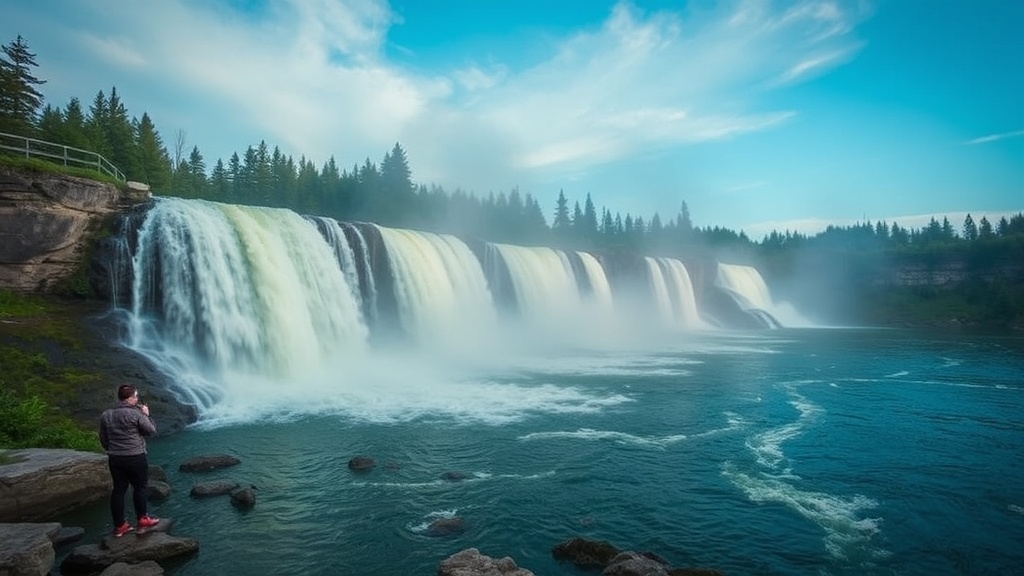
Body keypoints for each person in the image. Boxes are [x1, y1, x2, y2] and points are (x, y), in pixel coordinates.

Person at [99, 383, 160, 537]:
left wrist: (111, 449)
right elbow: (151, 430)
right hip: (135, 456)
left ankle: (120, 526)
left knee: (118, 491)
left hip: (115, 458)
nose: (137, 399)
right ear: (131, 398)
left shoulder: (107, 415)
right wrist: (146, 414)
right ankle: (142, 519)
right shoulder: (136, 414)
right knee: (140, 488)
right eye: (136, 397)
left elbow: (103, 438)